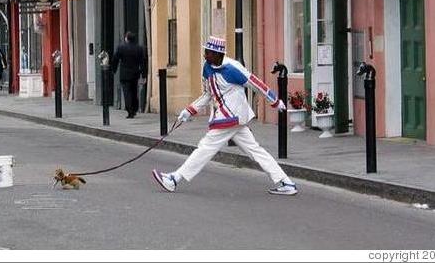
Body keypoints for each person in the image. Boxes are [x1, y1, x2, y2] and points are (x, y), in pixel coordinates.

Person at [152, 36, 298, 196]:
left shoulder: (233, 68)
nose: (205, 55)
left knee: (206, 147)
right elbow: (207, 94)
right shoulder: (207, 68)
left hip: (231, 117)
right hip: (228, 117)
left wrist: (275, 101)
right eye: (205, 51)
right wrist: (190, 110)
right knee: (255, 151)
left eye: (208, 52)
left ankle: (174, 179)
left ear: (218, 53)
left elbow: (256, 84)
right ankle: (286, 182)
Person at [110, 31, 147, 118]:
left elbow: (115, 59)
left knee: (127, 93)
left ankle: (130, 110)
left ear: (126, 38)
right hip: (135, 73)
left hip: (125, 74)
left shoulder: (121, 47)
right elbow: (143, 62)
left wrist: (113, 69)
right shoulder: (139, 48)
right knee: (134, 92)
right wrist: (143, 74)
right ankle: (134, 109)